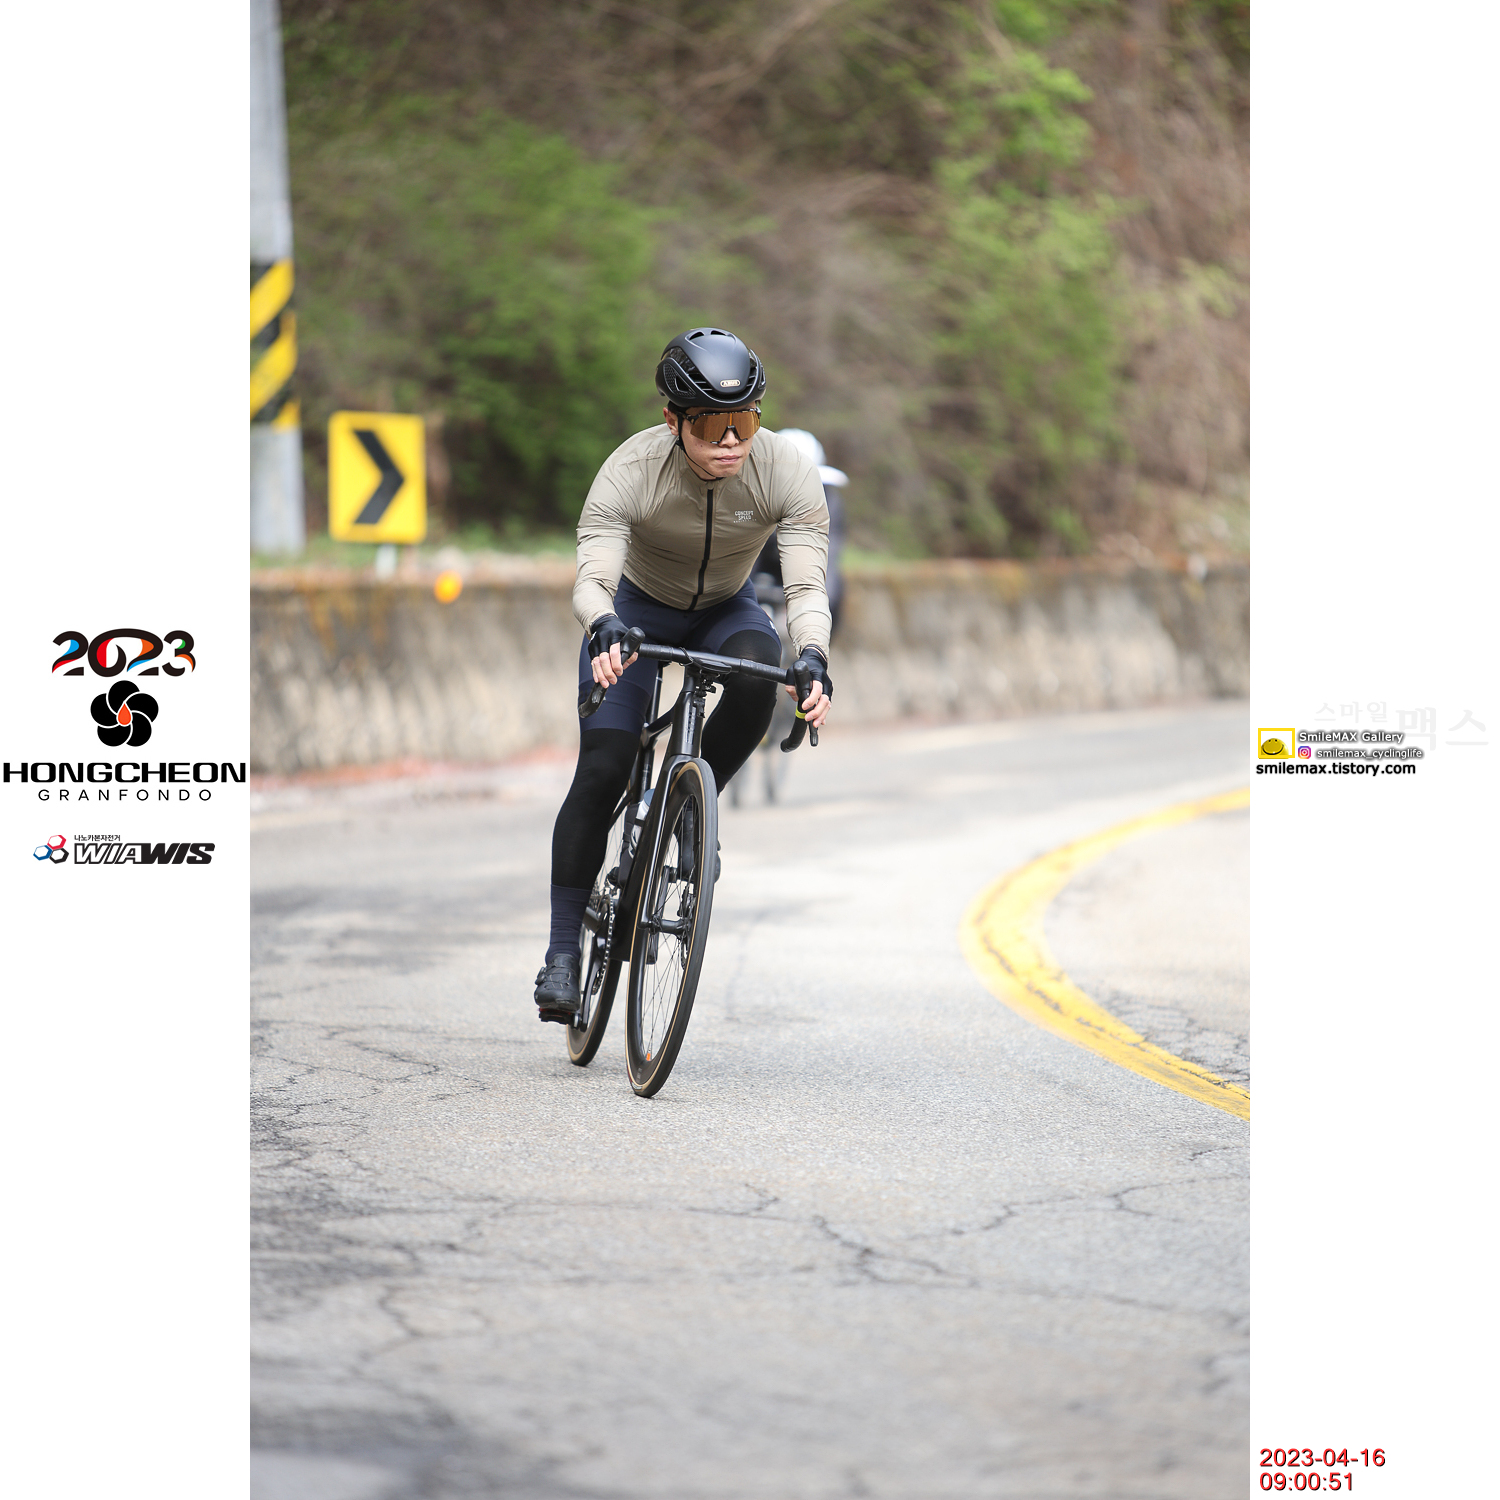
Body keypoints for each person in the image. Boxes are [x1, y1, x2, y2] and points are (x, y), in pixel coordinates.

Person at [534, 327, 835, 1022]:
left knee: (760, 670)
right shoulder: (631, 469)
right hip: (636, 613)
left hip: (727, 609)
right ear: (673, 421)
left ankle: (692, 806)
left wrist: (814, 656)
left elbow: (805, 587)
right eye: (710, 425)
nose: (730, 441)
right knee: (603, 769)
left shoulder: (786, 471)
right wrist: (602, 623)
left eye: (744, 422)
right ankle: (562, 954)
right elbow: (593, 578)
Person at [750, 427, 847, 639]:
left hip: (807, 564)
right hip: (761, 564)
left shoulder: (829, 501)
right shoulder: (752, 495)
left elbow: (828, 557)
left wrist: (821, 613)